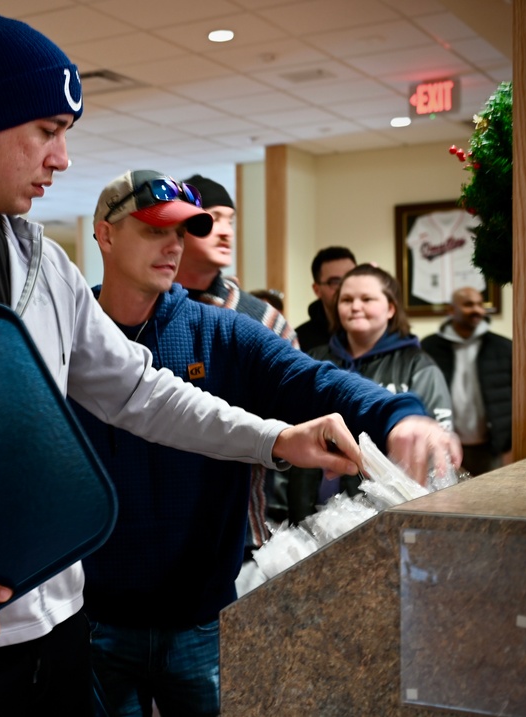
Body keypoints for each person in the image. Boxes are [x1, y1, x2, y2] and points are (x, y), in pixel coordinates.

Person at [0, 12, 455, 716]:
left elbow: (138, 390)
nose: (61, 159)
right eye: (48, 131)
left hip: (58, 629)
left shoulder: (42, 265)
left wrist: (274, 439)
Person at [77, 170, 459, 717]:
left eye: (182, 233)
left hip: (201, 619)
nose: (172, 246)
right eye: (154, 230)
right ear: (106, 235)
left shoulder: (222, 331)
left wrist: (399, 413)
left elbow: (313, 380)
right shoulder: (71, 335)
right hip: (98, 620)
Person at [175, 173, 299, 553]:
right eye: (212, 218)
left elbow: (298, 410)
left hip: (243, 532)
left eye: (231, 220)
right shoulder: (146, 311)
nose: (226, 231)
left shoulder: (261, 319)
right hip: (156, 527)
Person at [291, 264, 455, 523]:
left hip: (390, 514)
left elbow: (436, 448)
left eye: (367, 299)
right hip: (310, 511)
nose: (355, 306)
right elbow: (287, 427)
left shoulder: (418, 365)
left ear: (390, 308)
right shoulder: (315, 360)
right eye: (346, 299)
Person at [421, 286, 512, 475]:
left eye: (480, 304)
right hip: (444, 445)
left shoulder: (504, 347)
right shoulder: (428, 348)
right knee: (449, 502)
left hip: (490, 448)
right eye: (469, 304)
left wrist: (509, 443)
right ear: (451, 310)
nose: (477, 310)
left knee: (489, 500)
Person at [293, 246, 357, 353]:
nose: (346, 287)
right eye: (335, 282)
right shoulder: (299, 341)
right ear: (317, 290)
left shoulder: (377, 332)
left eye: (351, 278)